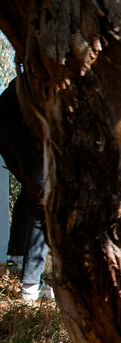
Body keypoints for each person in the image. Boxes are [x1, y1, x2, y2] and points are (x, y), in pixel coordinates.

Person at [0, 78, 51, 302]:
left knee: (30, 188)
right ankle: (30, 285)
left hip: (4, 125)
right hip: (25, 123)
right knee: (43, 198)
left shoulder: (27, 72)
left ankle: (16, 258)